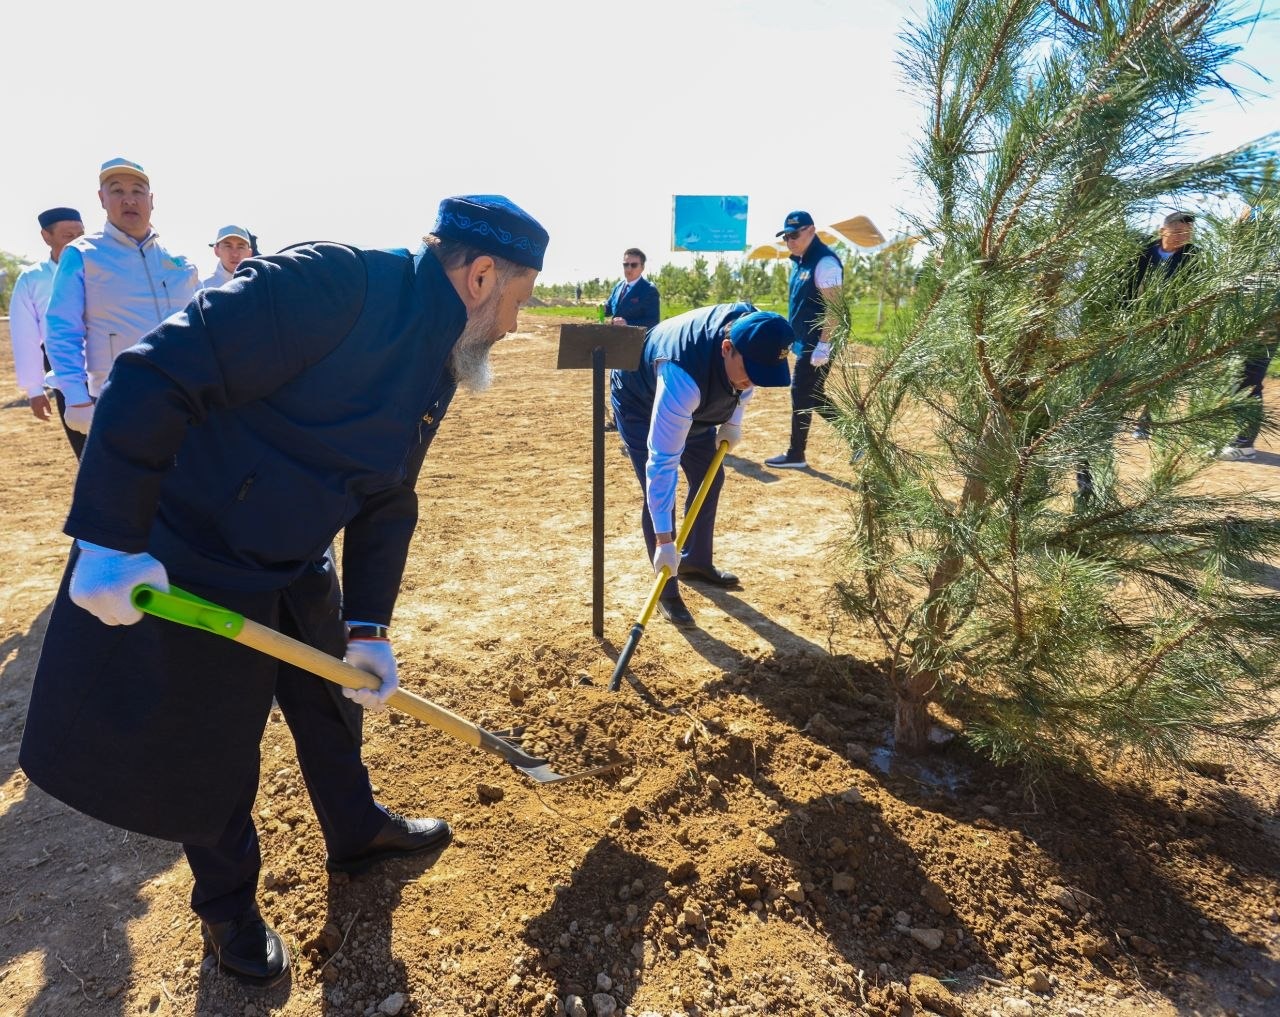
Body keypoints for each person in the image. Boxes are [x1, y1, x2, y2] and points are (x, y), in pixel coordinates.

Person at [18, 194, 549, 985]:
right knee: (217, 747)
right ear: (479, 276)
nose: (512, 324)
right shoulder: (331, 285)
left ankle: (357, 829)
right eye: (517, 300)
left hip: (295, 556)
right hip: (193, 553)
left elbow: (386, 497)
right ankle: (229, 912)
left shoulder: (436, 355)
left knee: (330, 702)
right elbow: (153, 373)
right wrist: (110, 537)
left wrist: (369, 626)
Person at [611, 303, 795, 627]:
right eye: (750, 372)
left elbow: (746, 384)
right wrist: (665, 542)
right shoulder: (682, 377)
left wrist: (734, 419)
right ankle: (666, 587)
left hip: (702, 396)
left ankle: (696, 560)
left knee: (710, 475)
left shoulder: (754, 329)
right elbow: (662, 464)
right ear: (727, 349)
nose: (753, 382)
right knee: (659, 494)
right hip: (639, 397)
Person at [43, 157, 200, 441]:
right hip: (118, 396)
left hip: (183, 394)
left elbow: (203, 326)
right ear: (101, 198)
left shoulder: (179, 260)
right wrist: (76, 397)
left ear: (151, 200)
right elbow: (62, 329)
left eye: (137, 191)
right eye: (117, 190)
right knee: (133, 483)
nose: (129, 200)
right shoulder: (83, 255)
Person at [765, 211, 844, 470]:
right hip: (805, 341)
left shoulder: (825, 263)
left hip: (818, 341)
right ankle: (859, 437)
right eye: (786, 236)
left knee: (802, 393)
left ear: (811, 230)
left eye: (795, 235)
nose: (790, 240)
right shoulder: (801, 262)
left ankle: (796, 453)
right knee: (814, 395)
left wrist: (824, 344)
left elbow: (835, 308)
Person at [7, 207, 87, 457]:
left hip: (108, 363)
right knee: (85, 448)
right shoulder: (32, 279)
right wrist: (34, 390)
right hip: (64, 369)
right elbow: (25, 336)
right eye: (67, 235)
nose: (76, 241)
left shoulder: (101, 268)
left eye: (80, 234)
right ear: (46, 236)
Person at [1218, 205, 1275, 461]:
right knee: (1235, 383)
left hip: (1264, 331)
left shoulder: (1272, 256)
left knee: (1249, 383)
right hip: (1238, 330)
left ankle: (1244, 443)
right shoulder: (1243, 257)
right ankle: (1233, 436)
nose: (1240, 231)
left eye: (1245, 226)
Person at [602, 248, 661, 430]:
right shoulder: (618, 287)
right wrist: (602, 310)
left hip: (638, 347)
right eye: (625, 264)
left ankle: (642, 423)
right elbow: (609, 309)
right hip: (617, 345)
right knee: (616, 383)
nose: (629, 268)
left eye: (633, 265)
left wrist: (628, 322)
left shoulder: (649, 291)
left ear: (642, 267)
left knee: (636, 388)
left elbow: (653, 321)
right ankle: (618, 419)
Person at [203, 224, 255, 288]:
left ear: (249, 253)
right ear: (216, 251)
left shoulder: (259, 287)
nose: (235, 254)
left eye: (240, 247)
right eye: (228, 246)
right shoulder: (202, 287)